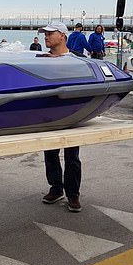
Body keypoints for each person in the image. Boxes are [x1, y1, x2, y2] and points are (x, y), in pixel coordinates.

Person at [36, 21, 83, 212]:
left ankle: (73, 194)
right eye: (44, 34)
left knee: (72, 156)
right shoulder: (40, 59)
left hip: (72, 114)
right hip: (49, 114)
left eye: (50, 34)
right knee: (50, 153)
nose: (45, 37)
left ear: (62, 35)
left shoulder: (77, 58)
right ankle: (56, 188)